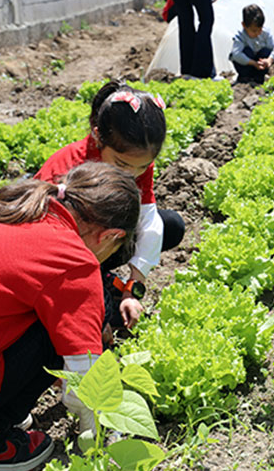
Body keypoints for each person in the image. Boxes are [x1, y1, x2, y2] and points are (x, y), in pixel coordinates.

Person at [0, 163, 141, 471]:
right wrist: (103, 441)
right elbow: (84, 386)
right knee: (63, 327)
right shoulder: (73, 259)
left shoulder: (8, 211)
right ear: (110, 235)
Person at [35, 82, 184, 335]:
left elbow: (149, 220)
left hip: (95, 239)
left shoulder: (134, 160)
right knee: (101, 317)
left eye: (142, 167)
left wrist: (134, 287)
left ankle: (102, 275)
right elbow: (49, 248)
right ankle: (100, 280)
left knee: (170, 225)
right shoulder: (68, 170)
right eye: (122, 164)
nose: (133, 174)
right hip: (51, 253)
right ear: (97, 136)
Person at [230, 4, 274, 85]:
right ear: (244, 25)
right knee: (246, 52)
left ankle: (259, 77)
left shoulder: (265, 33)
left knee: (266, 51)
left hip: (260, 64)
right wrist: (254, 63)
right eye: (254, 31)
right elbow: (236, 54)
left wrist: (269, 60)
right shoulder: (240, 36)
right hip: (247, 65)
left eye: (260, 29)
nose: (258, 33)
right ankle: (245, 77)